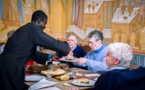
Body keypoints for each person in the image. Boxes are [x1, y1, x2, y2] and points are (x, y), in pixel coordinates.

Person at [0, 10, 70, 90]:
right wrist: (66, 47)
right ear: (39, 20)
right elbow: (51, 41)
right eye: (45, 23)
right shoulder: (32, 29)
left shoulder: (26, 29)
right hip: (10, 67)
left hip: (7, 65)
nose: (45, 27)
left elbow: (31, 53)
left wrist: (49, 57)